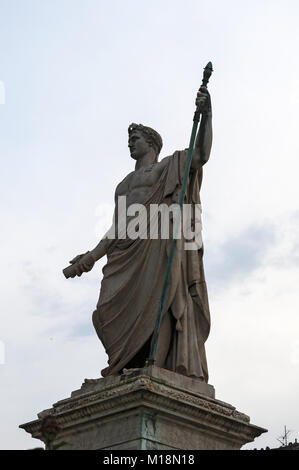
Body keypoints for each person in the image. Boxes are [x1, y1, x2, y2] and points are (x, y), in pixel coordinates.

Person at [64, 88, 212, 381]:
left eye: (136, 138)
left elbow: (201, 154)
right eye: (129, 140)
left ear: (152, 143)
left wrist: (207, 114)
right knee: (105, 311)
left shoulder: (168, 166)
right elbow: (118, 227)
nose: (131, 143)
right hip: (126, 252)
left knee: (162, 299)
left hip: (157, 245)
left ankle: (152, 364)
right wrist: (91, 257)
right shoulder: (123, 184)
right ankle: (124, 364)